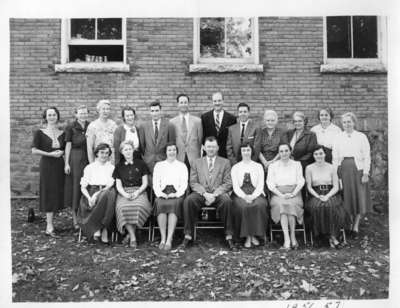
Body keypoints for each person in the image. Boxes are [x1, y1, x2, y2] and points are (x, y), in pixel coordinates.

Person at [180, 136, 234, 250]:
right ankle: (188, 235)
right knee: (188, 201)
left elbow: (228, 183)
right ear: (204, 147)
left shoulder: (225, 162)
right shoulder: (196, 162)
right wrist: (205, 194)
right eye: (208, 147)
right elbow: (193, 182)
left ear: (218, 147)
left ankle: (229, 236)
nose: (211, 149)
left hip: (218, 194)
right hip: (201, 193)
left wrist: (214, 194)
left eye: (213, 147)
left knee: (227, 201)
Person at [332, 112, 372, 238]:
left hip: (358, 170)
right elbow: (335, 157)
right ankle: (348, 224)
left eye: (349, 121)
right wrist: (335, 175)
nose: (347, 124)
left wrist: (366, 173)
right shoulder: (338, 137)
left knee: (359, 197)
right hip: (343, 170)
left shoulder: (361, 137)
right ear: (342, 124)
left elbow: (367, 156)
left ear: (354, 122)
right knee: (346, 197)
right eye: (344, 122)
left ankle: (355, 226)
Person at [305, 145, 351, 248]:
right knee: (317, 207)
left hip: (331, 192)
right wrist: (318, 196)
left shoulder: (331, 167)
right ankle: (321, 236)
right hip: (315, 193)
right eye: (316, 154)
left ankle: (333, 236)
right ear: (313, 155)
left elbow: (336, 187)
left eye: (321, 153)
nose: (318, 156)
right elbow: (309, 187)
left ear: (325, 154)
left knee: (331, 206)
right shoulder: (309, 168)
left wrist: (327, 196)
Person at [32, 107, 65, 237]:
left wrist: (62, 152)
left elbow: (65, 148)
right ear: (45, 117)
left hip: (59, 165)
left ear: (57, 116)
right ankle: (49, 225)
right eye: (49, 115)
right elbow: (34, 150)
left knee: (58, 191)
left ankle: (55, 221)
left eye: (54, 114)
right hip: (47, 165)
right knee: (48, 192)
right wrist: (50, 154)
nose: (52, 117)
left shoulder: (62, 133)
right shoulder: (40, 133)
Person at [113, 141, 152, 248]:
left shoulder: (141, 164)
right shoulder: (118, 166)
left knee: (138, 206)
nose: (128, 151)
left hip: (139, 191)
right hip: (124, 192)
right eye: (125, 149)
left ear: (133, 150)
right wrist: (125, 195)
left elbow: (145, 183)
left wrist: (137, 192)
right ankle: (133, 236)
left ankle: (131, 235)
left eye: (130, 149)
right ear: (121, 152)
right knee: (122, 207)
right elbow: (118, 186)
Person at [266, 143, 305, 250]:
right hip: (278, 194)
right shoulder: (273, 166)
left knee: (290, 204)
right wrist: (281, 195)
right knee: (283, 205)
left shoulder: (297, 164)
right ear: (278, 153)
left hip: (294, 193)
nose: (284, 153)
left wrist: (292, 193)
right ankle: (287, 238)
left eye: (286, 150)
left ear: (290, 151)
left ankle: (292, 236)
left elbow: (301, 181)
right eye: (281, 151)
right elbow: (270, 183)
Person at [231, 143, 269, 248]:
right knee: (243, 207)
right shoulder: (235, 167)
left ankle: (255, 235)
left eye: (248, 150)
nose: (246, 152)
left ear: (251, 151)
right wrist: (244, 197)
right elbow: (235, 187)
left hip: (256, 192)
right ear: (241, 152)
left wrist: (253, 196)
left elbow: (261, 184)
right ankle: (247, 236)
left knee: (260, 205)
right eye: (244, 150)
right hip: (240, 193)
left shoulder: (258, 166)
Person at [77, 143, 116, 243]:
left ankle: (99, 228)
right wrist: (89, 197)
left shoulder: (111, 168)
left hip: (105, 191)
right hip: (91, 192)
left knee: (108, 194)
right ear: (97, 154)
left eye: (107, 153)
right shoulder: (90, 167)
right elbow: (83, 187)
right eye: (102, 152)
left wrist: (96, 195)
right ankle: (103, 229)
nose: (104, 155)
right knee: (107, 198)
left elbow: (109, 185)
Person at [153, 142, 188, 251]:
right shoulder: (159, 165)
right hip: (162, 192)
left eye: (174, 150)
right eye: (169, 150)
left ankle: (169, 239)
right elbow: (155, 182)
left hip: (176, 193)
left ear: (177, 152)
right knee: (160, 204)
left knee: (174, 205)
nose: (172, 152)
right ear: (166, 152)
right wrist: (160, 193)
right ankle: (163, 238)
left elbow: (184, 183)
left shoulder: (182, 166)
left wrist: (176, 194)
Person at [64, 105, 90, 230]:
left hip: (88, 157)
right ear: (76, 114)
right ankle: (75, 220)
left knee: (88, 186)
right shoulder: (71, 127)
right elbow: (68, 145)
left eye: (85, 113)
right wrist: (66, 163)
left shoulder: (90, 125)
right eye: (81, 113)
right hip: (75, 157)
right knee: (76, 187)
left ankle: (87, 217)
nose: (83, 115)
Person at [139, 100, 176, 173]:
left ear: (160, 111)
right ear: (150, 112)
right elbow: (142, 145)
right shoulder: (144, 126)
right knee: (150, 183)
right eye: (152, 111)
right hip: (149, 161)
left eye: (157, 110)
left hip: (164, 160)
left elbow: (171, 144)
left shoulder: (169, 125)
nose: (154, 113)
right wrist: (147, 157)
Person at [169, 94, 203, 170]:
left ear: (188, 104)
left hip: (194, 158)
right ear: (177, 104)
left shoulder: (197, 121)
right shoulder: (172, 122)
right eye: (181, 102)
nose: (183, 104)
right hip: (178, 157)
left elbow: (200, 140)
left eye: (185, 102)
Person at [201, 92, 236, 158]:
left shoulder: (232, 118)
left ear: (223, 101)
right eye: (215, 101)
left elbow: (232, 139)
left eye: (219, 100)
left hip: (225, 155)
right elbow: (203, 136)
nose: (217, 103)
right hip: (209, 154)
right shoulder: (204, 117)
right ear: (212, 102)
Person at [86, 99, 117, 164]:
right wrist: (92, 164)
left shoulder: (113, 125)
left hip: (111, 160)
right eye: (103, 109)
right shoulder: (92, 126)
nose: (105, 111)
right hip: (98, 160)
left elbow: (116, 145)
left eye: (108, 109)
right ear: (98, 110)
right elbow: (89, 148)